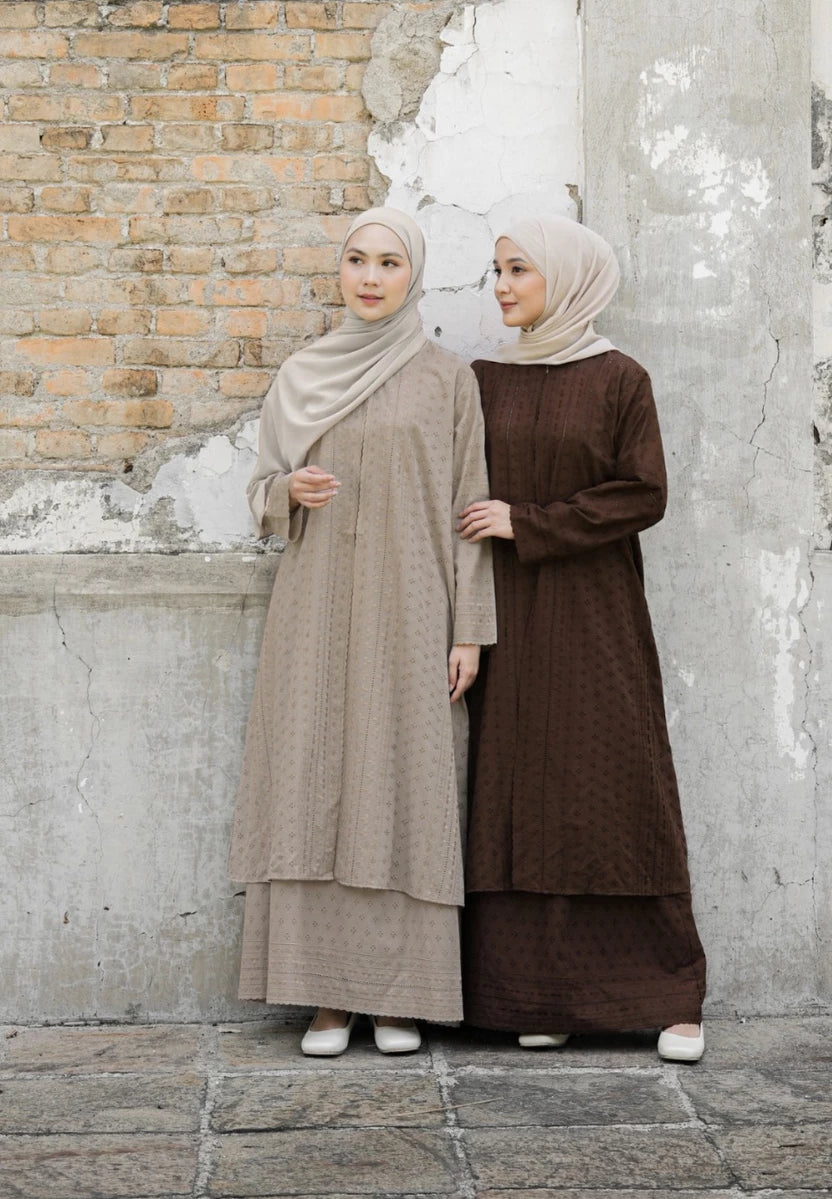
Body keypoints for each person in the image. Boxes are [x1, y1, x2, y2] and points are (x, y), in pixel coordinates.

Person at [229, 207, 496, 1056]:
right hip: (315, 608)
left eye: (388, 262)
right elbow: (261, 488)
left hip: (415, 610)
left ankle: (399, 997)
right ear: (339, 270)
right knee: (312, 780)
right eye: (356, 260)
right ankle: (325, 998)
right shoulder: (304, 374)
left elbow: (470, 509)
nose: (370, 278)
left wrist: (470, 630)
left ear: (412, 275)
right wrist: (288, 491)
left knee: (404, 783)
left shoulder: (448, 380)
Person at [458, 215, 706, 1062]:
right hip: (505, 613)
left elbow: (643, 493)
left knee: (612, 787)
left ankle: (667, 996)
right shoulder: (482, 380)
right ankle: (540, 994)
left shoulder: (619, 377)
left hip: (595, 612)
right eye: (496, 270)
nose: (501, 286)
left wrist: (528, 522)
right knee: (515, 791)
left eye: (518, 270)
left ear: (564, 278)